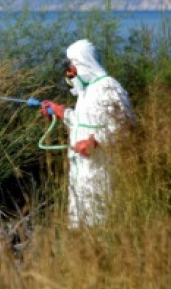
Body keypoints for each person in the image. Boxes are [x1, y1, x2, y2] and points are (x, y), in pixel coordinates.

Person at [39, 39, 133, 228]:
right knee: (81, 227)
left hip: (102, 172)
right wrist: (61, 113)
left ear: (83, 63)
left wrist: (96, 142)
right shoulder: (87, 92)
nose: (69, 73)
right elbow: (84, 123)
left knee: (101, 225)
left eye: (72, 67)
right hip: (82, 174)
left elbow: (126, 128)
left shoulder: (108, 87)